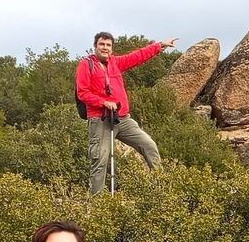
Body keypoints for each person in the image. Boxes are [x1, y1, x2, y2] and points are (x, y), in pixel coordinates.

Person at [75, 31, 177, 193]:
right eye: (102, 44)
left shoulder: (115, 62)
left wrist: (160, 46)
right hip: (100, 120)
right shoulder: (86, 65)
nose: (105, 48)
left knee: (149, 145)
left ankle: (161, 191)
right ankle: (96, 205)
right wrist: (104, 102)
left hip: (122, 118)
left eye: (108, 45)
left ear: (112, 48)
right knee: (100, 161)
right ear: (95, 46)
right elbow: (83, 92)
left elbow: (137, 56)